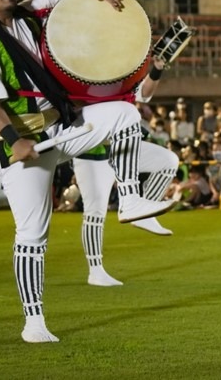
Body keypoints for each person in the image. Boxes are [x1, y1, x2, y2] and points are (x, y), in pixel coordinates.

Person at [0, 0, 176, 343]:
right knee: (33, 233)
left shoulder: (26, 14)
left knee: (124, 117)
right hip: (21, 141)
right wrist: (14, 140)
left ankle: (129, 200)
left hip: (62, 126)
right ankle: (33, 322)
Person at [70, 54, 180, 288]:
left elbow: (144, 94)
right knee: (95, 212)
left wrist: (157, 68)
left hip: (124, 147)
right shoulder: (81, 72)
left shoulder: (121, 73)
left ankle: (144, 212)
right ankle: (95, 270)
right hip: (93, 150)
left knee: (168, 161)